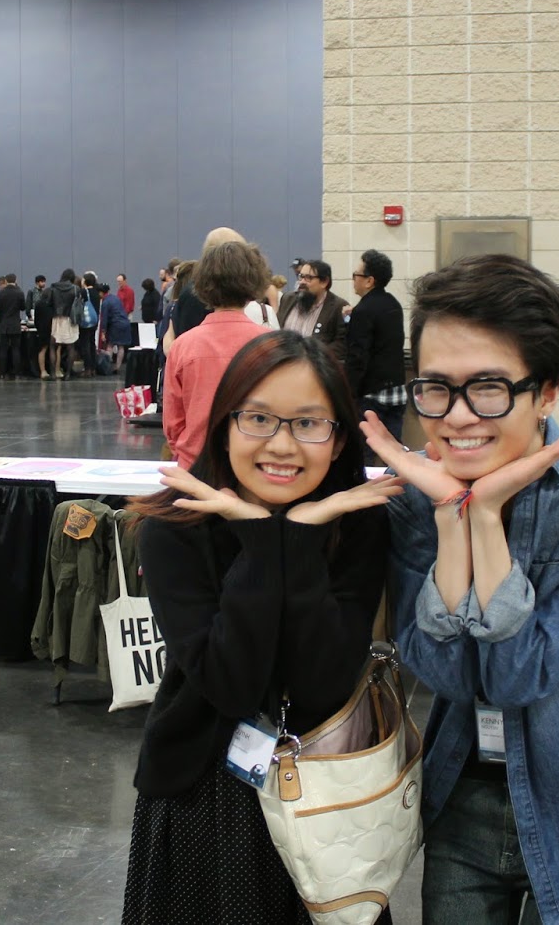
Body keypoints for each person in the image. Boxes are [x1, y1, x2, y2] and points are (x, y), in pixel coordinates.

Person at [361, 253, 559, 925]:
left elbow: (517, 675)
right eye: (435, 388)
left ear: (548, 393)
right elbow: (442, 670)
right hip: (458, 795)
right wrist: (451, 514)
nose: (457, 417)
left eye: (489, 388)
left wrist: (485, 519)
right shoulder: (413, 500)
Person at [121, 330, 403, 925]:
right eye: (258, 418)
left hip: (328, 792)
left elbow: (323, 682)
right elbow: (229, 685)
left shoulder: (355, 525)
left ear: (338, 439)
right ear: (225, 425)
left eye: (308, 423)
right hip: (203, 792)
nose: (281, 445)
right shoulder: (175, 528)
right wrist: (259, 538)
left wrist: (295, 541)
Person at [162, 242, 272, 469]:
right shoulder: (271, 345)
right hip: (254, 465)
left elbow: (173, 422)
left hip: (196, 465)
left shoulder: (182, 346)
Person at [345, 248, 407, 456]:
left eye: (356, 275)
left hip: (371, 394)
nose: (353, 279)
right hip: (397, 390)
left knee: (366, 453)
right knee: (395, 451)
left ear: (369, 281)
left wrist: (349, 392)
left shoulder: (363, 310)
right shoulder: (393, 304)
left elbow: (358, 356)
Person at [277, 259, 349, 360]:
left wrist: (314, 357)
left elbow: (342, 344)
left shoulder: (338, 306)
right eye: (301, 276)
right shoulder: (287, 299)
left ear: (324, 282)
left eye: (308, 278)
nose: (302, 282)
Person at [46, 270, 80, 380]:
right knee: (71, 347)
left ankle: (52, 373)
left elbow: (48, 303)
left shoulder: (53, 288)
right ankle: (68, 374)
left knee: (53, 346)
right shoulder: (75, 288)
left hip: (57, 319)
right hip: (71, 319)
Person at [0, 275, 26, 379]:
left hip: (3, 325)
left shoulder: (0, 293)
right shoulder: (19, 292)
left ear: (6, 281)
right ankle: (17, 373)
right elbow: (23, 307)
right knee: (16, 349)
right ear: (16, 280)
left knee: (3, 350)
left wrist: (1, 319)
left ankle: (2, 373)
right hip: (15, 325)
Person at [98, 284, 135, 374]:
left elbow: (104, 318)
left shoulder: (105, 303)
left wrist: (103, 332)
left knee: (110, 345)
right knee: (121, 346)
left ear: (101, 293)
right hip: (125, 323)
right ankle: (117, 367)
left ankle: (107, 366)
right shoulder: (115, 298)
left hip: (115, 325)